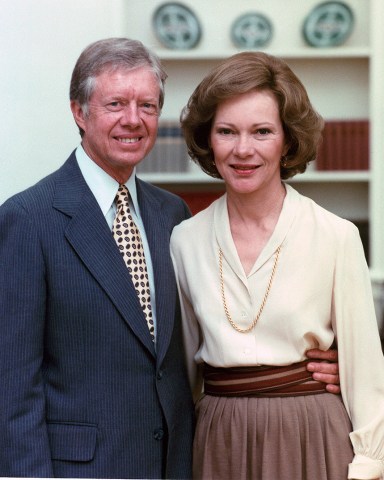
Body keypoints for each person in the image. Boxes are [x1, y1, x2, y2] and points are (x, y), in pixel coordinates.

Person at [0, 38, 339, 478]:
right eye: (116, 103)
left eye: (147, 105)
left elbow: (202, 341)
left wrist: (315, 369)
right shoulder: (27, 218)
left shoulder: (173, 215)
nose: (133, 120)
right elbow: (12, 385)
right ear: (79, 112)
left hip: (178, 462)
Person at [170, 51, 384, 480]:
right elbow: (180, 376)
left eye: (262, 131)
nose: (242, 150)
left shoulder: (336, 236)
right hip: (219, 440)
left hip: (312, 434)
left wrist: (368, 465)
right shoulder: (185, 240)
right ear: (208, 140)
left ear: (287, 141)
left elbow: (365, 373)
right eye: (226, 131)